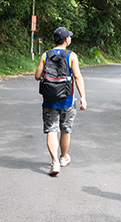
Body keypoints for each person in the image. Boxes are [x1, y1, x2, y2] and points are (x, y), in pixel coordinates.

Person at [34, 26, 87, 176]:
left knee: (51, 129)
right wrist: (83, 97)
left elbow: (37, 76)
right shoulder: (71, 56)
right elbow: (77, 77)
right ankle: (63, 157)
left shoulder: (46, 54)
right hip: (67, 100)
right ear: (66, 40)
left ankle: (54, 161)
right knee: (65, 129)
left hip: (49, 100)